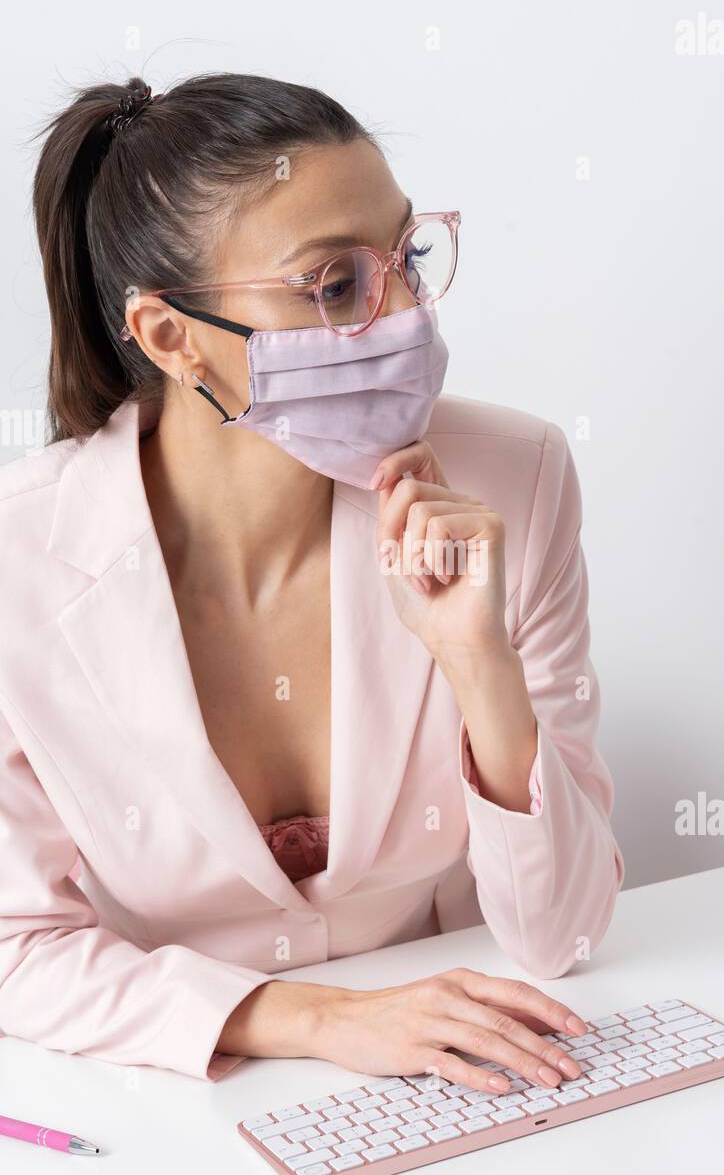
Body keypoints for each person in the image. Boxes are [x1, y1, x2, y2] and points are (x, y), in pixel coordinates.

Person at [0, 73, 624, 1095]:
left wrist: (482, 668)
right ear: (168, 335)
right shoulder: (19, 562)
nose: (405, 318)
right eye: (336, 286)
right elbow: (16, 949)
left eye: (408, 261)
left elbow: (566, 936)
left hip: (459, 1084)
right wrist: (312, 1018)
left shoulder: (516, 478)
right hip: (174, 1091)